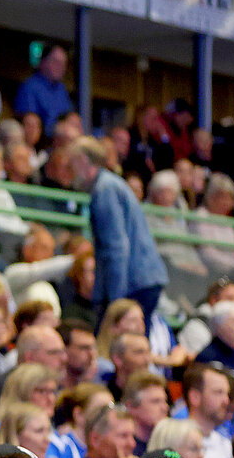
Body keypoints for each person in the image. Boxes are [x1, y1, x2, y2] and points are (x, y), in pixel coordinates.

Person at [69, 136, 168, 320]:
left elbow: (116, 247)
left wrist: (115, 302)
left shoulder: (104, 190)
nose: (71, 170)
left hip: (134, 283)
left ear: (83, 160)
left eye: (72, 163)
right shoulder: (109, 185)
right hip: (141, 280)